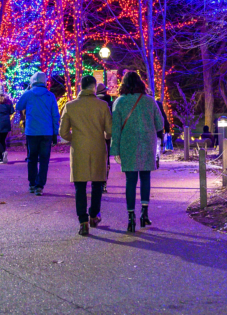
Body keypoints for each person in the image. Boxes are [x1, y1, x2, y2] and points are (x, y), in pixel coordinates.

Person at [110, 71, 164, 233]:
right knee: (145, 177)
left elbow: (115, 128)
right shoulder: (149, 101)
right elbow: (160, 124)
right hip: (147, 143)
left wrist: (115, 149)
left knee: (130, 180)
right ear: (140, 83)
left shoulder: (119, 102)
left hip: (127, 144)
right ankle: (144, 214)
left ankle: (130, 217)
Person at [59, 75, 113, 236]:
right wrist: (102, 136)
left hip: (79, 149)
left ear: (80, 87)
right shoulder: (102, 106)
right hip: (98, 148)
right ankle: (94, 215)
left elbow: (63, 132)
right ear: (94, 87)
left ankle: (83, 221)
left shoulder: (70, 106)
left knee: (80, 186)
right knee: (97, 184)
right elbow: (110, 131)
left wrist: (75, 138)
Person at [15, 72, 60, 195]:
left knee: (32, 158)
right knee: (44, 159)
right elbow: (55, 115)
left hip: (32, 131)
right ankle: (40, 186)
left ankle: (32, 183)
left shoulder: (29, 94)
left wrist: (27, 89)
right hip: (47, 132)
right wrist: (55, 133)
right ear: (44, 82)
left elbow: (18, 106)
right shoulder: (50, 96)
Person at [96, 83, 114, 192]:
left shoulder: (92, 103)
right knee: (105, 159)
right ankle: (103, 183)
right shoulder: (109, 104)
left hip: (94, 134)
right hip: (106, 135)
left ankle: (96, 181)